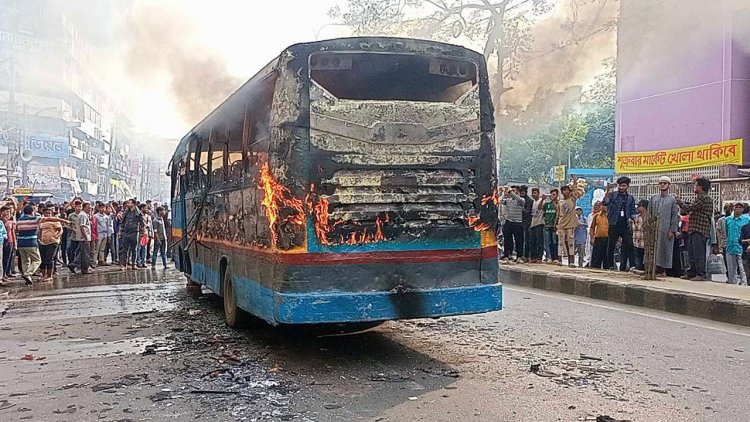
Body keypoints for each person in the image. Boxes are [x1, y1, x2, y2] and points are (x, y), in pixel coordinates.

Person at [17, 204, 68, 284]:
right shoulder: (35, 219)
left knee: (25, 261)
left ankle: (27, 276)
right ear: (32, 212)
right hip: (31, 243)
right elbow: (48, 218)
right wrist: (63, 220)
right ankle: (27, 274)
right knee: (37, 260)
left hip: (20, 243)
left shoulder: (20, 219)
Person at [676, 177, 715, 281]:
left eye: (696, 185)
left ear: (701, 187)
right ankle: (692, 272)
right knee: (691, 253)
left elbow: (689, 208)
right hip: (694, 229)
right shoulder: (700, 198)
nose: (694, 187)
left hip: (700, 229)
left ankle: (701, 274)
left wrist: (678, 201)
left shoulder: (703, 198)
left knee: (699, 253)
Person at [648, 176, 681, 277]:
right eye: (661, 183)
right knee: (654, 248)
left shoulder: (672, 200)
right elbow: (650, 213)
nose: (662, 185)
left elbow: (674, 216)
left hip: (666, 229)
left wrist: (672, 230)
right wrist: (649, 226)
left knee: (665, 249)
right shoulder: (653, 198)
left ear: (669, 185)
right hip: (655, 229)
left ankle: (663, 270)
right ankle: (654, 269)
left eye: (665, 183)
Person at [603, 176, 637, 271]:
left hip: (625, 224)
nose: (621, 188)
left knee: (629, 244)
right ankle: (610, 265)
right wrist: (607, 190)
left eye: (623, 186)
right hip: (614, 223)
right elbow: (605, 202)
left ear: (627, 186)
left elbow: (632, 211)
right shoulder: (613, 195)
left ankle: (632, 266)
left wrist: (633, 221)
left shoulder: (630, 198)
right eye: (620, 186)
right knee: (611, 245)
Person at [556, 176, 583, 267]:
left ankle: (571, 262)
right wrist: (556, 224)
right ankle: (559, 260)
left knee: (571, 242)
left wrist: (575, 181)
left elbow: (576, 192)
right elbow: (558, 214)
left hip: (570, 224)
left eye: (567, 190)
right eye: (564, 190)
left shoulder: (572, 200)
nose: (566, 192)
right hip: (561, 224)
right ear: (562, 192)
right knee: (560, 242)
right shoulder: (560, 202)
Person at [724, 203, 749, 285]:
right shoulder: (727, 220)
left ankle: (744, 284)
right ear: (733, 208)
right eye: (736, 207)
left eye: (740, 207)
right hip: (730, 246)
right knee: (731, 269)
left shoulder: (747, 219)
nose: (738, 209)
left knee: (743, 268)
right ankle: (732, 285)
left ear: (742, 209)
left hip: (742, 247)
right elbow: (726, 232)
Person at [500, 186, 526, 263]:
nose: (511, 193)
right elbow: (500, 201)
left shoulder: (521, 200)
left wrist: (510, 192)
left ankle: (519, 256)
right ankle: (507, 255)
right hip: (509, 221)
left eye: (514, 191)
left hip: (518, 222)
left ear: (517, 192)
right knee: (507, 240)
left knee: (519, 240)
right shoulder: (508, 200)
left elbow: (518, 198)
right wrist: (502, 192)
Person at [39, 207, 64, 282]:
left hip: (53, 242)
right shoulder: (42, 221)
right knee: (42, 259)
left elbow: (60, 230)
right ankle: (44, 275)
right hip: (43, 242)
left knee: (49, 259)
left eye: (49, 213)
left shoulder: (55, 221)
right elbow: (40, 231)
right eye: (46, 213)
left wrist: (56, 236)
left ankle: (50, 275)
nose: (47, 215)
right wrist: (40, 238)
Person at [69, 201, 93, 274]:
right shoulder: (83, 215)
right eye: (88, 208)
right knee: (86, 254)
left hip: (83, 237)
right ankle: (84, 268)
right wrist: (85, 237)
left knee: (81, 253)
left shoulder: (83, 215)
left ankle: (74, 264)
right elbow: (82, 226)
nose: (90, 210)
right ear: (84, 208)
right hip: (84, 237)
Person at [119, 199, 143, 270]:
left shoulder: (138, 213)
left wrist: (144, 231)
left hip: (135, 232)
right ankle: (124, 264)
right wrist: (120, 231)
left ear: (133, 204)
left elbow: (142, 222)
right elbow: (122, 222)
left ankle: (134, 264)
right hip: (126, 232)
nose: (127, 204)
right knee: (124, 249)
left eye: (129, 203)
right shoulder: (126, 212)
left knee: (134, 250)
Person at [589, 204, 610, 269]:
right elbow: (592, 227)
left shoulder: (610, 216)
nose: (604, 207)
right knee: (596, 257)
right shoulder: (596, 216)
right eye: (603, 205)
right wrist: (592, 237)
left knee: (607, 256)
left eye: (606, 206)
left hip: (608, 238)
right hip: (598, 238)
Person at [542, 189, 560, 263]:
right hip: (548, 226)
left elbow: (558, 211)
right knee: (549, 242)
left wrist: (554, 203)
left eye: (554, 195)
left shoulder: (559, 204)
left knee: (555, 242)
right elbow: (542, 211)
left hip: (555, 226)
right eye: (551, 194)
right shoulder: (547, 204)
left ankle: (556, 258)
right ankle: (550, 257)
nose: (552, 196)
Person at [528, 188, 545, 263]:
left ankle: (539, 257)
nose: (534, 194)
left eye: (535, 193)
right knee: (532, 241)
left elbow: (540, 208)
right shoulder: (533, 202)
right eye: (533, 193)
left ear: (538, 193)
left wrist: (542, 199)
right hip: (533, 224)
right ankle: (533, 257)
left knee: (539, 242)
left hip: (539, 223)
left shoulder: (541, 201)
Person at [632, 199, 648, 271]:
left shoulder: (649, 218)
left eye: (639, 206)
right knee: (638, 265)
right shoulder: (636, 217)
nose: (637, 208)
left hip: (646, 244)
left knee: (646, 265)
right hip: (637, 243)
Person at [519, 186, 534, 260]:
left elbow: (528, 212)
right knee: (520, 240)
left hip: (526, 222)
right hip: (519, 222)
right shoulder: (518, 199)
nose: (521, 193)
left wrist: (521, 208)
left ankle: (526, 255)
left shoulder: (529, 201)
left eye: (523, 192)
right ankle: (521, 255)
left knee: (526, 240)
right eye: (520, 192)